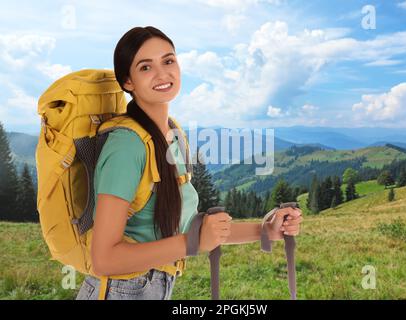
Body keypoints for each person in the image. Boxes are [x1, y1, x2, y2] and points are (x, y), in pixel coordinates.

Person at [76, 26, 303, 300]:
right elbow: (104, 259)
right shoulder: (127, 145)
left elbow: (188, 227)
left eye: (168, 61)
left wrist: (266, 230)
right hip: (119, 291)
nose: (162, 74)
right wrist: (191, 243)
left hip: (150, 288)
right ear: (128, 81)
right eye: (146, 67)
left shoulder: (172, 134)